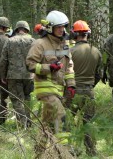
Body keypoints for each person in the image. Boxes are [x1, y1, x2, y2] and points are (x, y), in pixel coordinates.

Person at [25, 10, 76, 157]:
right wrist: (48, 68)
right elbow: (30, 64)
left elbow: (69, 66)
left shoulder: (65, 44)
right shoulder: (40, 44)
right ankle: (65, 152)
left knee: (46, 125)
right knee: (61, 116)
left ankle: (38, 153)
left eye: (63, 26)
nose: (62, 29)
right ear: (50, 28)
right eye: (58, 27)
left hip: (59, 90)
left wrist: (71, 84)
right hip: (45, 89)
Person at [69, 20, 102, 156]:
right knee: (88, 122)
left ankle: (69, 150)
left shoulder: (70, 51)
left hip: (73, 91)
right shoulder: (96, 51)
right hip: (89, 91)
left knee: (68, 121)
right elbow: (99, 74)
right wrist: (91, 85)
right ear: (88, 34)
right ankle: (91, 151)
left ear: (75, 34)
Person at [0, 21, 35, 128]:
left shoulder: (10, 41)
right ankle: (28, 122)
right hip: (30, 75)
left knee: (16, 99)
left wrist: (2, 75)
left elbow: (3, 60)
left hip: (13, 75)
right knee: (27, 97)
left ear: (16, 29)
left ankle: (22, 123)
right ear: (27, 29)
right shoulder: (34, 41)